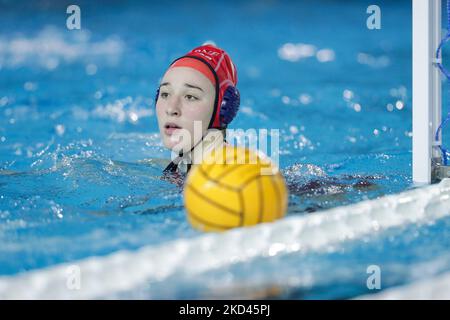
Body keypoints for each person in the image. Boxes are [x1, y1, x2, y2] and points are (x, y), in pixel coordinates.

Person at [154, 44, 240, 176]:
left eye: (190, 97)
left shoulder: (243, 179)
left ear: (223, 108)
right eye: (165, 94)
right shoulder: (176, 167)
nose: (171, 109)